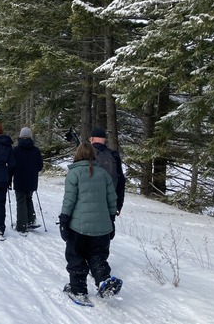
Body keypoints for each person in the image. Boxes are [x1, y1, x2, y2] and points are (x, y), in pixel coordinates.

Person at [59, 142, 122, 303]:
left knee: (76, 256)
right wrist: (111, 220)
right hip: (102, 228)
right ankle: (103, 281)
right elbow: (112, 200)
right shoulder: (103, 174)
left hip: (79, 227)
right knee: (98, 256)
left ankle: (78, 290)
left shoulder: (74, 174)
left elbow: (69, 200)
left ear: (78, 154)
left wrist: (64, 220)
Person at [10, 127, 43, 235]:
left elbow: (11, 166)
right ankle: (31, 220)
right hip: (32, 179)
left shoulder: (15, 150)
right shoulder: (36, 150)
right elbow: (40, 166)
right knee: (29, 198)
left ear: (20, 136)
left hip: (19, 179)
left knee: (21, 200)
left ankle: (22, 225)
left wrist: (9, 178)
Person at [89, 127, 126, 216]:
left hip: (86, 203)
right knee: (107, 228)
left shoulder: (85, 154)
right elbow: (121, 181)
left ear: (92, 139)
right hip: (109, 204)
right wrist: (118, 205)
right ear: (104, 140)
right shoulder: (113, 155)